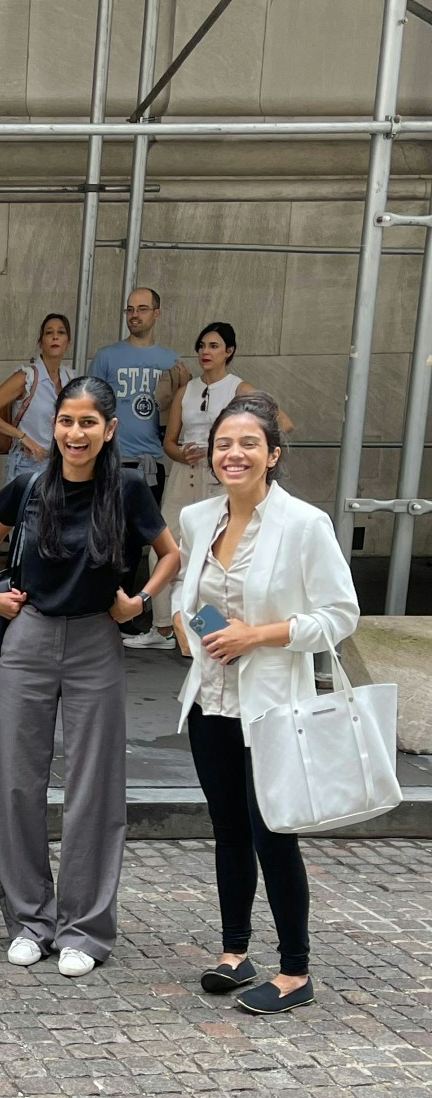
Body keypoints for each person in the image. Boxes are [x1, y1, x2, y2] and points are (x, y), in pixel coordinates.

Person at [0, 375, 179, 979]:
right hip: (30, 633)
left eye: (89, 422)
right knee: (16, 780)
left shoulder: (130, 490)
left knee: (95, 786)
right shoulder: (30, 484)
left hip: (96, 637)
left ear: (110, 429)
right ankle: (29, 922)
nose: (75, 433)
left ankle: (84, 930)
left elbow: (170, 554)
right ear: (54, 425)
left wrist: (138, 602)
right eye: (67, 421)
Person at [172, 391, 356, 1016]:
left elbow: (340, 615)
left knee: (274, 833)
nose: (234, 453)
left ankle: (295, 969)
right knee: (228, 830)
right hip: (211, 701)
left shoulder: (305, 524)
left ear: (272, 454)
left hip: (274, 706)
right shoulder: (200, 519)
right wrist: (191, 625)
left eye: (249, 443)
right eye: (224, 443)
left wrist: (259, 634)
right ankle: (234, 952)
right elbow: (185, 591)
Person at [155, 322, 291, 646]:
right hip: (183, 474)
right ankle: (163, 627)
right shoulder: (185, 391)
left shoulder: (239, 388)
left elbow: (283, 423)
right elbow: (169, 442)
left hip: (220, 476)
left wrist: (233, 450)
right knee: (165, 548)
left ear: (228, 351)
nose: (205, 352)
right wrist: (182, 453)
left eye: (214, 346)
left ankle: (207, 630)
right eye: (202, 345)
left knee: (212, 556)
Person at [88, 287, 189, 649]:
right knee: (112, 543)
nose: (135, 315)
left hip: (152, 465)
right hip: (114, 462)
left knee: (148, 542)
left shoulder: (170, 360)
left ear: (157, 314)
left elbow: (180, 407)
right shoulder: (107, 356)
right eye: (130, 309)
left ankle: (140, 616)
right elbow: (92, 404)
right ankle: (106, 615)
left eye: (143, 309)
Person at [0, 313, 75, 485]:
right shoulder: (27, 377)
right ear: (40, 342)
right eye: (49, 333)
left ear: (68, 342)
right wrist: (22, 436)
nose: (55, 336)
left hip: (60, 462)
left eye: (61, 332)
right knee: (23, 511)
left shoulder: (70, 378)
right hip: (28, 462)